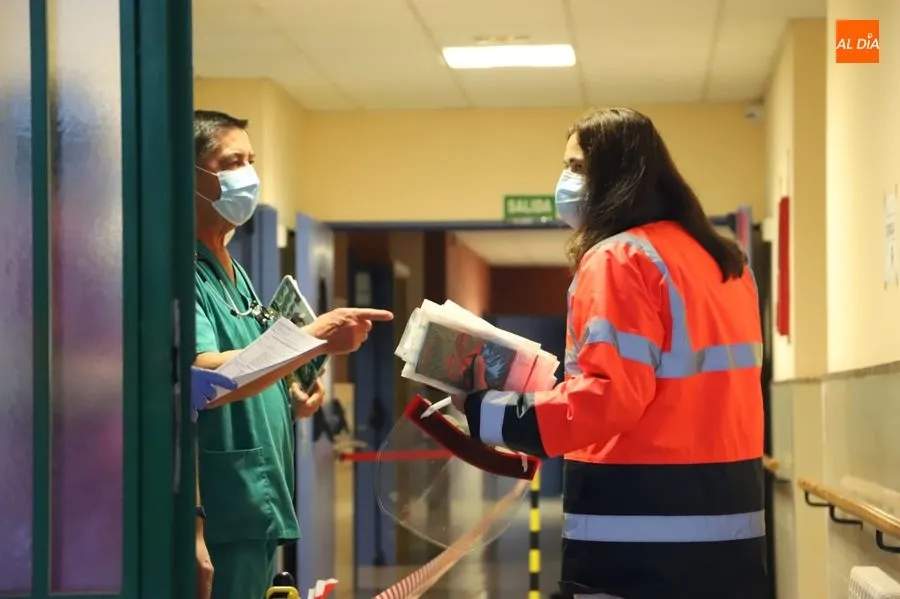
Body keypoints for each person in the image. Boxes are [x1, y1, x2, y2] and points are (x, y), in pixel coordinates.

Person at [453, 108, 766, 599]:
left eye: (577, 167)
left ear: (620, 175)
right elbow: (671, 392)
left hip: (640, 543)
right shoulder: (725, 264)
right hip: (731, 538)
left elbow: (609, 399)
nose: (565, 180)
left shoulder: (621, 259)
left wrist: (485, 412)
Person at [191, 109, 393, 599]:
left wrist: (291, 394)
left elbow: (254, 365)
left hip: (260, 504)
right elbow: (204, 377)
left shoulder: (235, 273)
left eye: (250, 160)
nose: (248, 176)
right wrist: (316, 337)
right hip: (221, 511)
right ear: (190, 176)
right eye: (230, 161)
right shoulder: (183, 270)